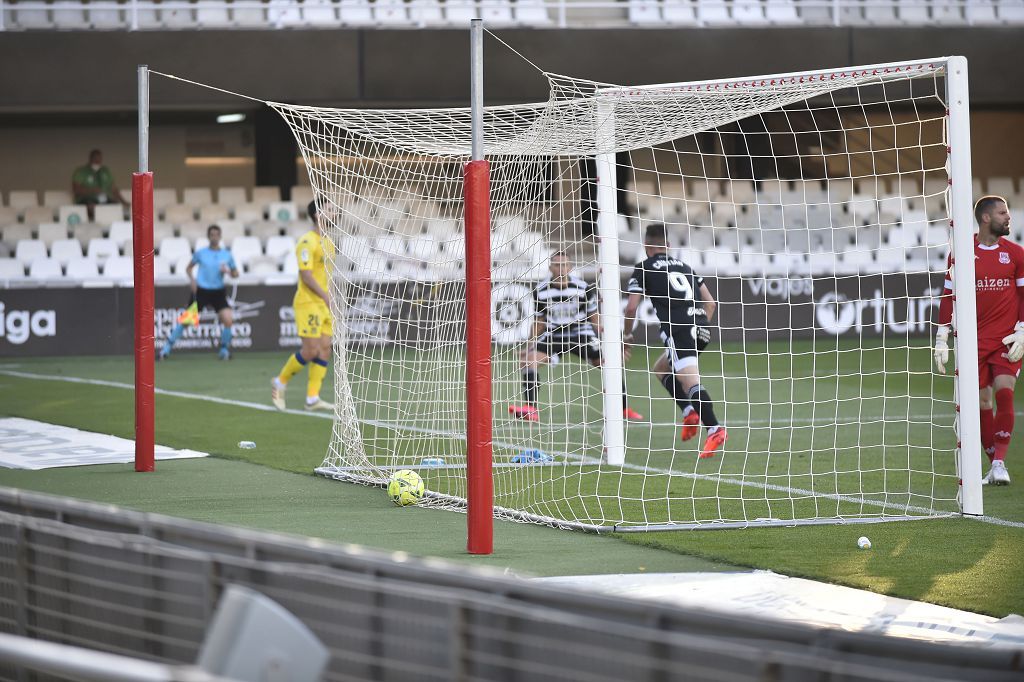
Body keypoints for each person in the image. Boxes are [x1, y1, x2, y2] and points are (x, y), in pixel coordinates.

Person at [934, 195, 1021, 485]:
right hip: (974, 341)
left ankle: (999, 462)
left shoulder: (1017, 254)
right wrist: (942, 336)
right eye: (1002, 213)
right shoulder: (961, 252)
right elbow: (948, 295)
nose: (1008, 217)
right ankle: (994, 464)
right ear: (986, 218)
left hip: (1007, 339)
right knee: (982, 401)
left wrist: (1023, 329)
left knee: (1004, 391)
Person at [623, 223, 727, 459]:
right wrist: (699, 325)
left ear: (646, 246)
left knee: (690, 382)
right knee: (661, 369)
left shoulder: (644, 268)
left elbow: (631, 307)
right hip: (701, 329)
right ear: (668, 246)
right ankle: (690, 411)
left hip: (679, 331)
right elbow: (710, 303)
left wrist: (627, 336)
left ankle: (715, 429)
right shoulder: (686, 267)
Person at [509, 251, 644, 423]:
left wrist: (608, 343)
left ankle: (623, 409)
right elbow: (539, 321)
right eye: (557, 265)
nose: (561, 268)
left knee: (611, 364)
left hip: (581, 333)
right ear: (550, 268)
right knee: (528, 362)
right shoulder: (541, 291)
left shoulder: (583, 288)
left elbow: (594, 318)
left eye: (565, 264)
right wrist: (529, 345)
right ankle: (530, 408)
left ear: (570, 267)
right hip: (555, 335)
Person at [271, 201, 334, 412]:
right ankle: (279, 382)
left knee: (325, 349)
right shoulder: (307, 241)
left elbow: (326, 275)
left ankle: (312, 398)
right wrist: (325, 296)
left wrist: (331, 297)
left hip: (324, 303)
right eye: (329, 208)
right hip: (308, 303)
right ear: (317, 215)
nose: (334, 212)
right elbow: (305, 275)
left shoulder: (329, 243)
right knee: (311, 350)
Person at [159, 224, 239, 361]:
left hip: (218, 292)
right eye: (212, 235)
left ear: (220, 236)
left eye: (216, 235)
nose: (214, 237)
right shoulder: (201, 253)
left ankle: (224, 350)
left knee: (228, 320)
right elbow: (189, 268)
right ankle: (166, 349)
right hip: (201, 291)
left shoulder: (227, 255)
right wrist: (192, 280)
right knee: (186, 320)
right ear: (208, 237)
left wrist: (229, 271)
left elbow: (236, 274)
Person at [71, 149, 126, 220]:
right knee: (92, 206)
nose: (97, 160)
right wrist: (92, 190)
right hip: (86, 200)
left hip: (104, 199)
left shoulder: (105, 170)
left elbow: (114, 188)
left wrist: (124, 202)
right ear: (90, 158)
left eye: (99, 158)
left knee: (115, 206)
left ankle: (111, 225)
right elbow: (76, 189)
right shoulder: (81, 171)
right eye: (95, 158)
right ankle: (95, 226)